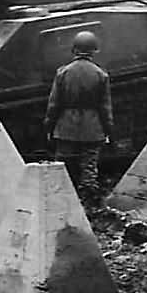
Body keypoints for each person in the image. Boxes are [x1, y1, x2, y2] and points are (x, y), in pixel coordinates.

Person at [43, 30, 113, 207]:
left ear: (73, 50)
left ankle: (60, 203)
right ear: (94, 50)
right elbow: (105, 108)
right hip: (92, 128)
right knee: (89, 168)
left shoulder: (63, 73)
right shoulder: (101, 75)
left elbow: (54, 104)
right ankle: (89, 207)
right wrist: (107, 130)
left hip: (65, 127)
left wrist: (49, 128)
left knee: (63, 167)